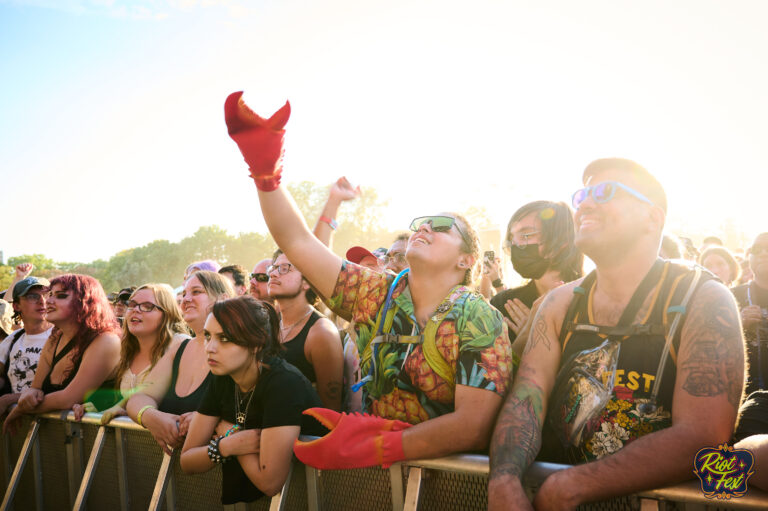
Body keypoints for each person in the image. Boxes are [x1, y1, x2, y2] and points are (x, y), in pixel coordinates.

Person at [224, 92, 512, 469]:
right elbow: (297, 243)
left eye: (441, 227)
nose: (424, 227)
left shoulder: (478, 315)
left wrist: (376, 446)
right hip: (380, 481)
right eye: (420, 223)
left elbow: (473, 426)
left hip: (454, 484)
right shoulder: (377, 292)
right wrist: (266, 174)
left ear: (467, 259)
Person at [488, 158, 744, 510]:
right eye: (582, 196)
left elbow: (703, 436)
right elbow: (525, 402)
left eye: (605, 192)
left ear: (652, 217)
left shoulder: (700, 299)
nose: (585, 205)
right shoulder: (560, 303)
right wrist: (503, 479)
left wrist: (572, 485)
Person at [180, 296, 327, 503]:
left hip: (313, 498)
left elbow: (270, 482)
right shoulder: (222, 377)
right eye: (208, 335)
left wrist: (229, 432)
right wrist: (228, 445)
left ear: (256, 344)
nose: (210, 347)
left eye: (224, 339)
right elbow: (187, 461)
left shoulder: (284, 383)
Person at [126, 271, 234, 454]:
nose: (186, 299)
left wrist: (209, 421)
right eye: (184, 294)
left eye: (196, 292)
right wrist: (153, 418)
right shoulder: (179, 348)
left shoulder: (237, 351)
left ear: (223, 299)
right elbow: (139, 398)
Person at [3, 274, 122, 434]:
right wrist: (30, 393)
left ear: (85, 302)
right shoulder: (55, 338)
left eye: (61, 296)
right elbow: (36, 388)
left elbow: (68, 398)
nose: (48, 301)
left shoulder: (106, 341)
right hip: (59, 442)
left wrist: (20, 409)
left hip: (99, 443)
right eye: (50, 294)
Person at [73, 284, 189, 424]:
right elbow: (122, 403)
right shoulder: (126, 350)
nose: (135, 310)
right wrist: (98, 409)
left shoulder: (180, 344)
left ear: (167, 313)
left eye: (147, 306)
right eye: (132, 304)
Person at [490, 200, 583, 357]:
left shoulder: (592, 300)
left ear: (561, 242)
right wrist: (525, 339)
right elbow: (491, 374)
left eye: (526, 235)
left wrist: (545, 335)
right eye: (512, 238)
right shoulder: (504, 305)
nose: (515, 244)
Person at [267, 250, 344, 411]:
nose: (273, 274)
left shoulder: (321, 332)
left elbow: (330, 408)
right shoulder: (270, 324)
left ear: (307, 282)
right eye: (273, 268)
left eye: (284, 268)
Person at [0, 276, 53, 416]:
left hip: (54, 426)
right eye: (32, 296)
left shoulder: (61, 336)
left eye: (47, 295)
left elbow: (61, 389)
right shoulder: (12, 339)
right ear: (16, 306)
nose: (42, 301)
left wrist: (9, 399)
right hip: (18, 429)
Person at [732, 233, 768, 394]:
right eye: (757, 249)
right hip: (744, 397)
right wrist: (737, 324)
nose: (763, 253)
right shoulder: (729, 296)